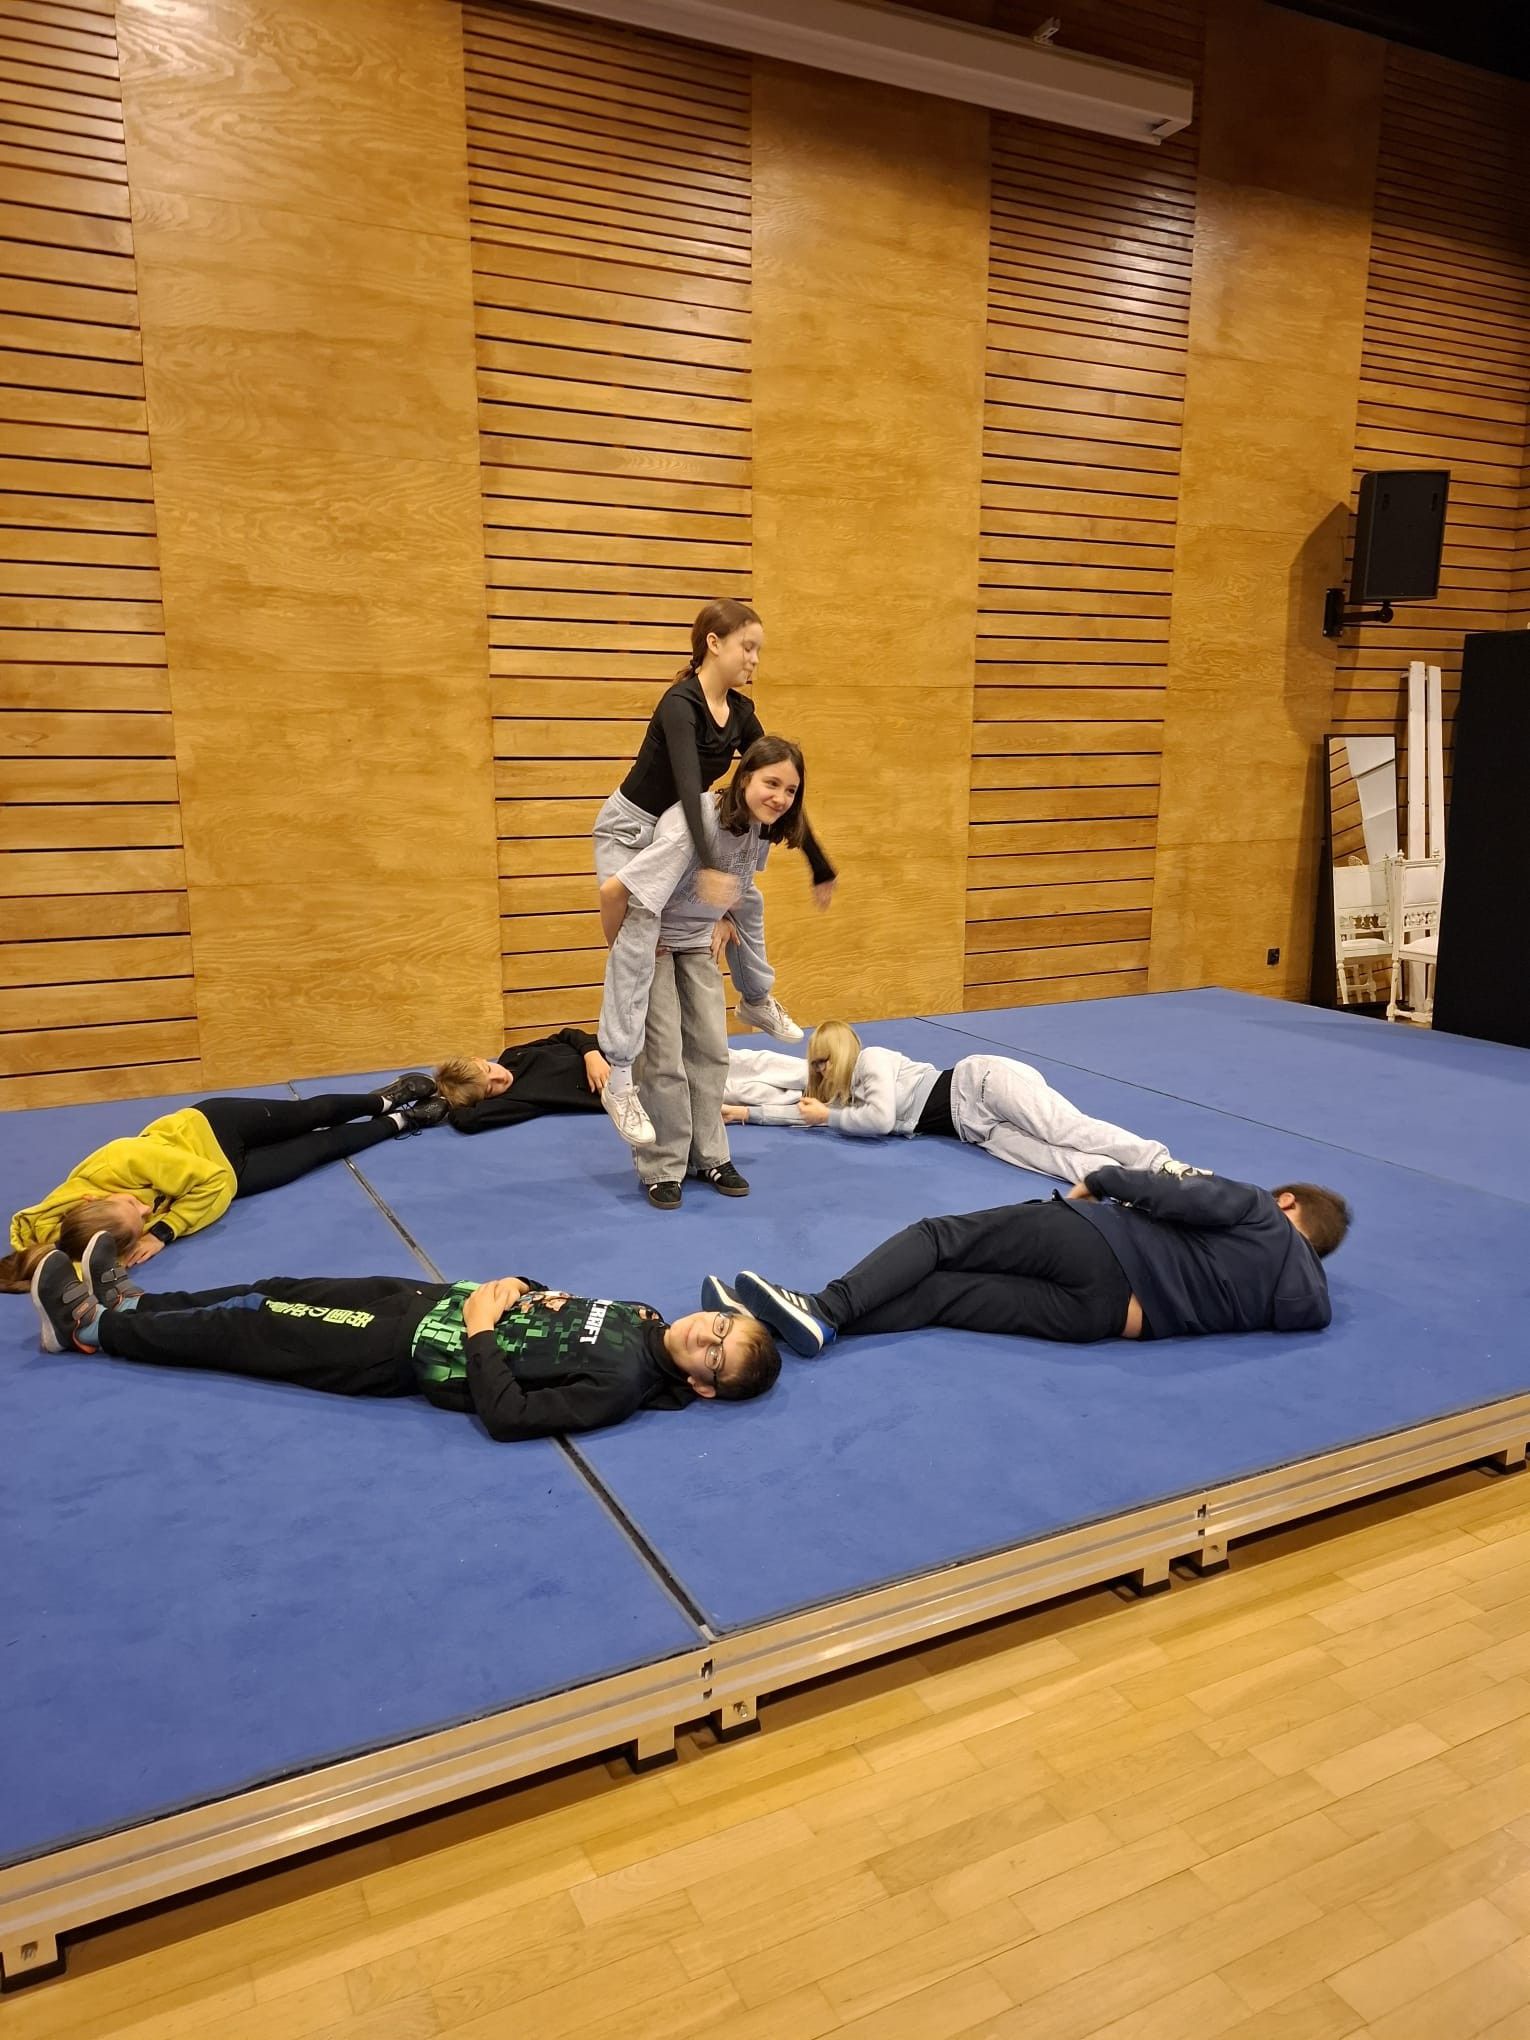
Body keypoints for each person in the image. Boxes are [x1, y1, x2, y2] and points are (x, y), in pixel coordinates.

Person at [29, 1232, 781, 1441]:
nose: (706, 1334)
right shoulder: (646, 1317)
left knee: (253, 1324)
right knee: (283, 1285)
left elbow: (511, 1415)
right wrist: (519, 1283)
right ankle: (136, 1302)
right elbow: (558, 1306)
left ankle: (93, 1329)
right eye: (722, 1324)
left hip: (400, 1349)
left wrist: (480, 1330)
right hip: (427, 1299)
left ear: (703, 1386)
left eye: (716, 1353)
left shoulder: (620, 1387)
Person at [709, 1168, 1350, 1357]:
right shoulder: (1303, 1304)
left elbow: (1174, 1193)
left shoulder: (1260, 1210)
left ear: (1287, 1202)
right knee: (940, 1297)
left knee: (939, 1238)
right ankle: (767, 1331)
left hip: (1096, 1243)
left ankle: (823, 1308)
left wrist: (1101, 1179)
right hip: (1104, 1320)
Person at [592, 597, 835, 1044]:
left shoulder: (740, 712)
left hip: (681, 831)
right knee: (639, 933)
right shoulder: (679, 705)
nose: (754, 659)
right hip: (633, 829)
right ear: (714, 644)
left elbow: (779, 779)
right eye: (748, 647)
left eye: (758, 650)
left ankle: (756, 999)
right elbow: (689, 788)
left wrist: (819, 864)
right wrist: (708, 866)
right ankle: (620, 1062)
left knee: (747, 899)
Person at [596, 740, 805, 1205]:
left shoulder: (760, 827)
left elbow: (737, 886)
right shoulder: (693, 827)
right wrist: (626, 948)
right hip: (655, 944)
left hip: (696, 941)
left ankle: (710, 1155)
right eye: (771, 783)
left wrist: (725, 918)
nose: (780, 798)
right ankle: (663, 1164)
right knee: (663, 1057)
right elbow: (616, 892)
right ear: (745, 777)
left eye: (790, 790)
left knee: (711, 1051)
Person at [0, 1079, 445, 1290]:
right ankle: (402, 1122)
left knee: (309, 1114)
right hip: (233, 1177)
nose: (145, 1211)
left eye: (134, 1206)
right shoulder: (81, 1239)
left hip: (213, 1129)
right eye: (141, 1221)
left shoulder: (120, 1158)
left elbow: (210, 1180)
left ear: (92, 1197)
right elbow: (69, 1267)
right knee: (319, 1150)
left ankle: (382, 1099)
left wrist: (163, 1231)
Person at [724, 1021, 1205, 1182]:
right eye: (816, 1067)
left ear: (842, 1054)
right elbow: (807, 1114)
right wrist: (748, 1114)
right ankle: (1135, 1184)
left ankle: (1162, 1164)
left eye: (824, 1063)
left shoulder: (872, 1060)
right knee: (1053, 1161)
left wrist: (828, 1116)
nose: (821, 1074)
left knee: (1065, 1128)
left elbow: (880, 1119)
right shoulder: (844, 1098)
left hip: (981, 1084)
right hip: (975, 1128)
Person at [432, 1028, 611, 1133]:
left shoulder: (512, 1055)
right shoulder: (514, 1100)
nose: (500, 1077)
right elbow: (467, 1120)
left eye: (488, 1069)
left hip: (610, 1052)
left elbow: (566, 1035)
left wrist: (591, 1054)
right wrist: (444, 1102)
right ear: (484, 1100)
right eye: (490, 1089)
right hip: (621, 1087)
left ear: (478, 1059)